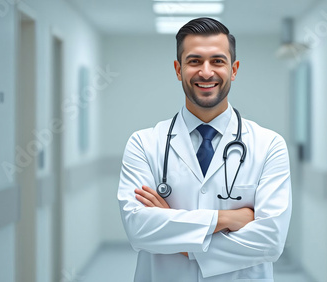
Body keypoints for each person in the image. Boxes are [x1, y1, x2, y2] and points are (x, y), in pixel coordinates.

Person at [117, 17, 292, 282]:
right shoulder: (144, 143)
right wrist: (228, 218)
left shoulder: (269, 145)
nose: (206, 72)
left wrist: (179, 236)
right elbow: (139, 230)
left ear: (234, 70)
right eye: (195, 61)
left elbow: (270, 241)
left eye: (218, 61)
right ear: (178, 69)